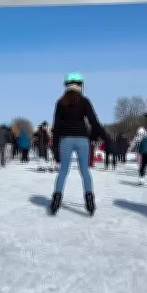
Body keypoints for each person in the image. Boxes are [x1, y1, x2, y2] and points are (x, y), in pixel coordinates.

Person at [49, 73, 113, 217]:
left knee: (63, 171)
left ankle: (55, 202)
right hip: (82, 140)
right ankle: (90, 202)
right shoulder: (84, 101)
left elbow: (56, 128)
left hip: (66, 140)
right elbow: (94, 123)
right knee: (85, 171)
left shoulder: (60, 102)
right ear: (80, 85)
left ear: (66, 85)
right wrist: (107, 138)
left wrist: (55, 150)